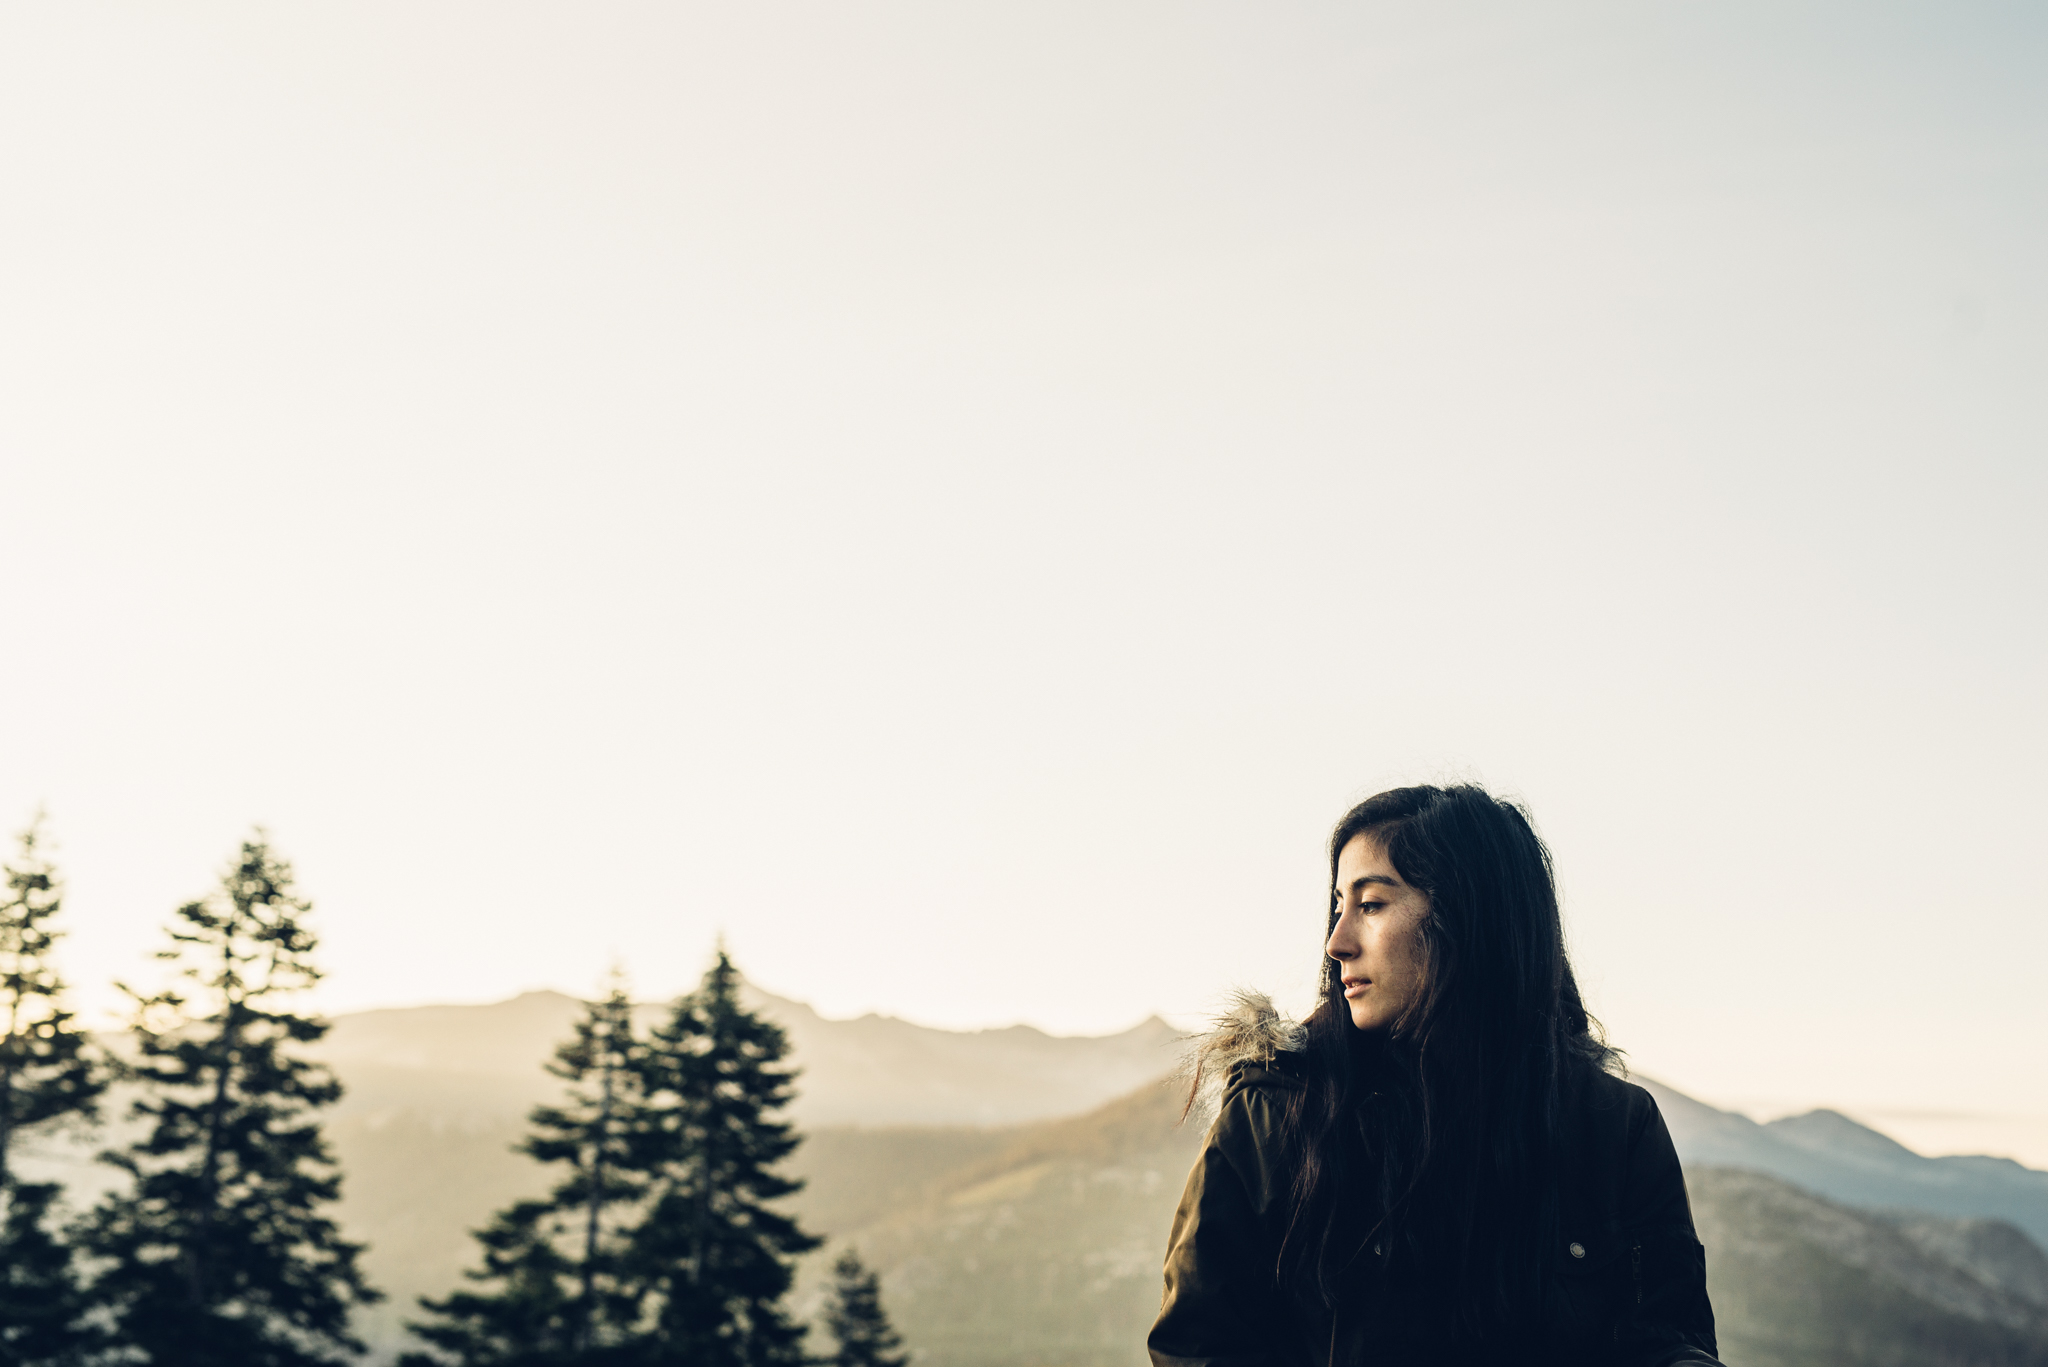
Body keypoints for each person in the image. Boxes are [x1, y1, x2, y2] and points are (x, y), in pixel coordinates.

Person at [1148, 785, 1722, 1367]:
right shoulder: (1275, 1114)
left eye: (1370, 905)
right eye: (1338, 906)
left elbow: (1668, 1338)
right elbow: (1199, 1349)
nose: (1337, 943)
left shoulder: (1613, 1126)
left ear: (1467, 916)